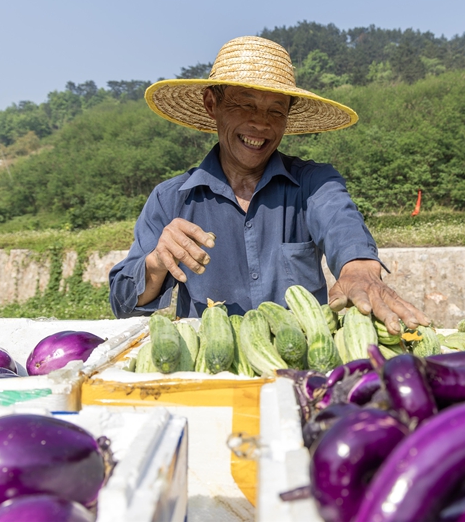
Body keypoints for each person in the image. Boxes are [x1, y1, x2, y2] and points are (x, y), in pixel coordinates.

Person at [109, 36, 428, 334]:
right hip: (214, 376)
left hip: (302, 369)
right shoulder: (170, 200)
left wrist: (359, 271)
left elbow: (343, 226)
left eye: (275, 110)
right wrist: (156, 263)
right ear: (211, 105)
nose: (260, 123)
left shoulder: (313, 184)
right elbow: (123, 302)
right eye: (245, 105)